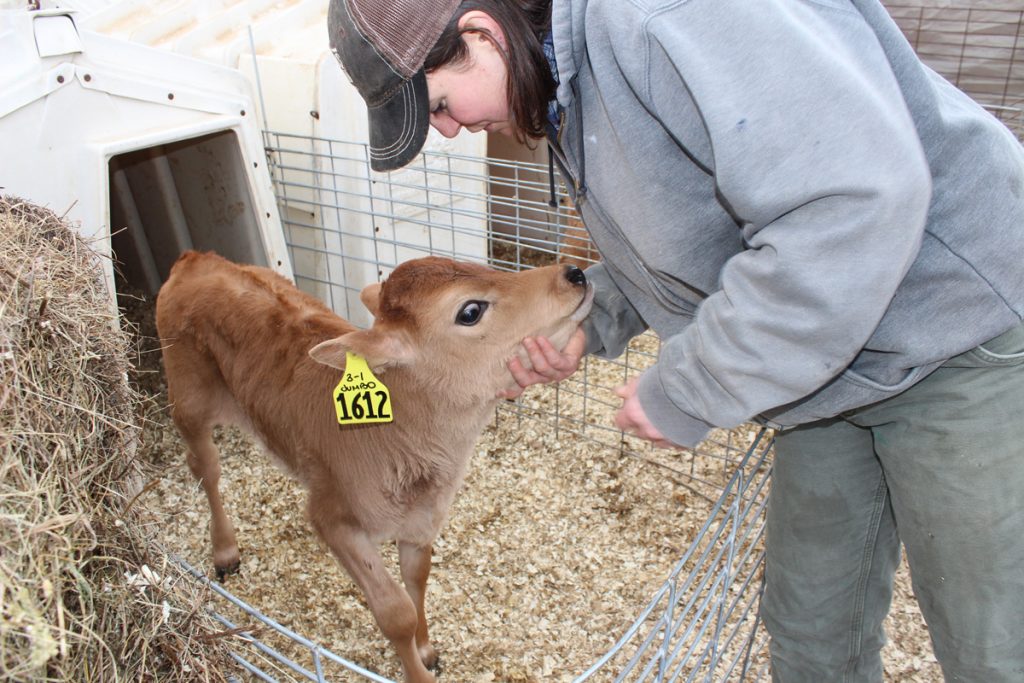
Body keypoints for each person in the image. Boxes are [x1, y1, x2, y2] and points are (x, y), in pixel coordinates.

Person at [327, 0, 1024, 680]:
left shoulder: (665, 18)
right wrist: (594, 321)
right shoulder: (563, 81)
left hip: (952, 331)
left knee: (990, 641)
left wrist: (689, 386)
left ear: (481, 34)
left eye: (442, 105)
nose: (450, 131)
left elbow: (853, 204)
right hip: (822, 372)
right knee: (811, 630)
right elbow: (695, 227)